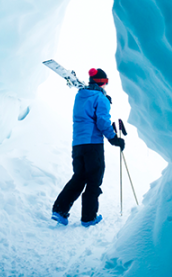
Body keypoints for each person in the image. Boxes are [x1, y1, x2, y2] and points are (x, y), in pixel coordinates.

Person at [52, 68, 125, 227]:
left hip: (78, 145)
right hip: (93, 145)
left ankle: (59, 210)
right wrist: (114, 139)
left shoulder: (80, 96)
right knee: (94, 180)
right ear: (101, 82)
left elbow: (88, 115)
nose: (106, 85)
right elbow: (102, 121)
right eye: (105, 82)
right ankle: (88, 218)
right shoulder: (101, 98)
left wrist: (103, 98)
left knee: (79, 177)